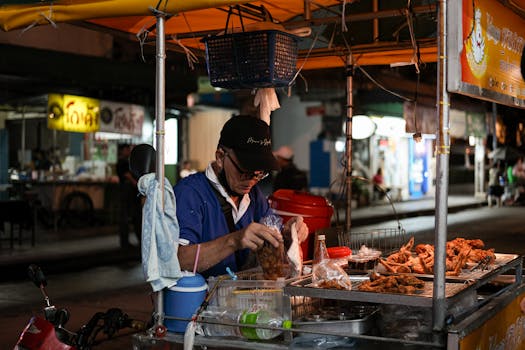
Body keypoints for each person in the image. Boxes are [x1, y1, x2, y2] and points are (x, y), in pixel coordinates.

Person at [174, 115, 309, 278]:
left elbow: (273, 242)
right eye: (244, 171)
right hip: (200, 300)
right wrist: (234, 240)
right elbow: (179, 259)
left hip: (243, 298)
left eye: (259, 174)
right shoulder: (190, 193)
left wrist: (288, 234)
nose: (251, 181)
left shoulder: (254, 196)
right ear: (220, 157)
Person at [117, 143, 142, 248]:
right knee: (129, 218)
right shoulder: (122, 163)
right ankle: (126, 243)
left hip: (129, 193)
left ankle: (137, 241)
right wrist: (136, 184)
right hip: (126, 193)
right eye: (127, 149)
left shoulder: (127, 162)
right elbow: (127, 176)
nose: (128, 151)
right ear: (122, 151)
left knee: (135, 218)